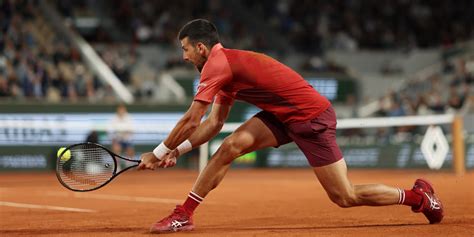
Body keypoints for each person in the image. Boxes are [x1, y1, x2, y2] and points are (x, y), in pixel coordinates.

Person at [137, 19, 444, 234]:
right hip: (281, 115)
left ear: (201, 48)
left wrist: (158, 151)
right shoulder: (223, 69)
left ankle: (419, 198)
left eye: (185, 49)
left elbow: (193, 119)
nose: (183, 55)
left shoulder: (217, 65)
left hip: (311, 117)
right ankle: (184, 215)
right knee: (230, 147)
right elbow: (215, 123)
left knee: (344, 196)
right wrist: (178, 149)